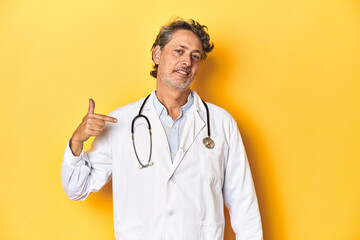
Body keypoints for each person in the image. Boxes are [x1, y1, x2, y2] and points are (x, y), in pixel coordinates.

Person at [61, 18, 263, 240]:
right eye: (179, 51)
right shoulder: (121, 121)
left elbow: (245, 207)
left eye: (195, 56)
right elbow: (77, 189)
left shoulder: (222, 123)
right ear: (157, 55)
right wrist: (77, 142)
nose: (187, 61)